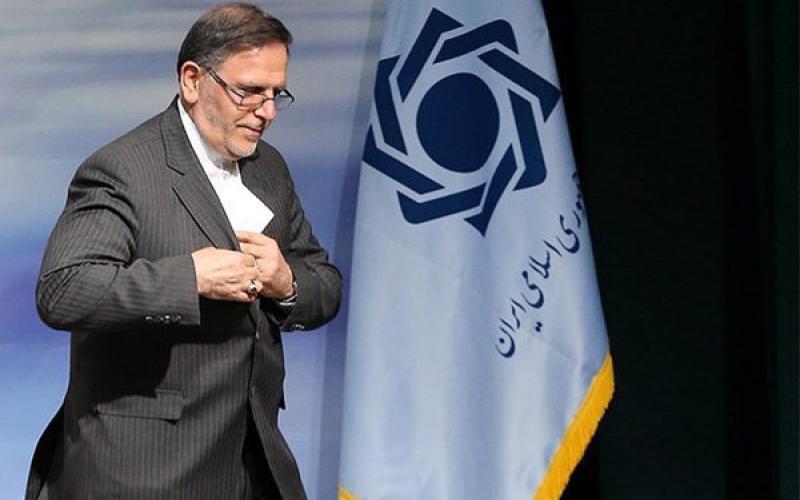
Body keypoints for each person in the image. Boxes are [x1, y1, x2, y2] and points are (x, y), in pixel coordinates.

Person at [26, 3, 342, 499]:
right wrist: (190, 279)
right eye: (248, 92)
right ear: (193, 81)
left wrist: (287, 284)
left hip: (252, 466)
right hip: (144, 473)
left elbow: (324, 283)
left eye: (276, 94)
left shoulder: (269, 168)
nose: (266, 111)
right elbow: (64, 290)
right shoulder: (124, 170)